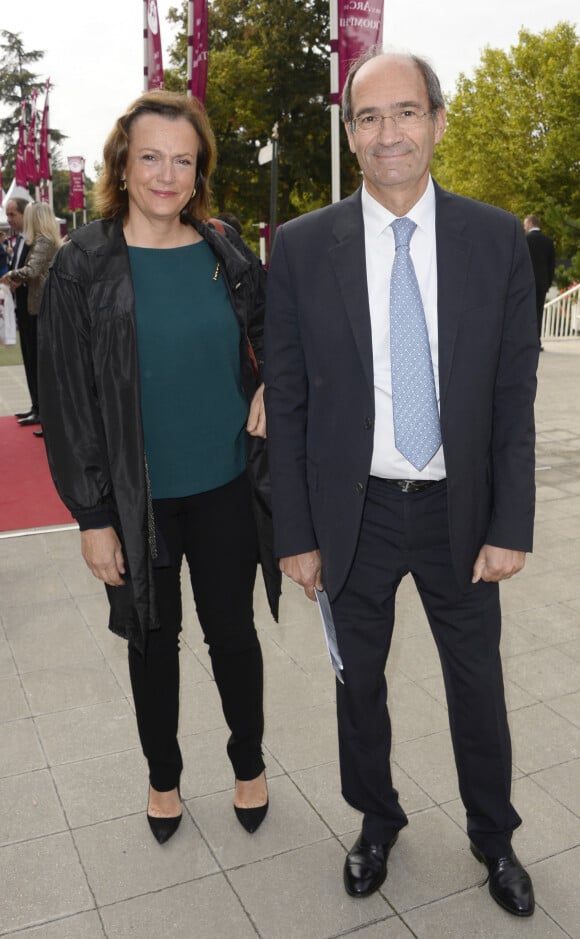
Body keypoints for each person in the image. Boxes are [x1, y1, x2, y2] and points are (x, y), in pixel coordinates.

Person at [265, 49, 538, 917]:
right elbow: (293, 402)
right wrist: (296, 534)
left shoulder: (497, 239)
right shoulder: (304, 248)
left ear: (438, 121)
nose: (390, 133)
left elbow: (510, 398)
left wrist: (511, 522)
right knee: (360, 685)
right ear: (351, 134)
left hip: (461, 513)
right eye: (369, 117)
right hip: (357, 515)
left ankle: (493, 835)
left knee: (478, 687)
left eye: (407, 112)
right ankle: (376, 820)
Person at [38, 90, 280, 844]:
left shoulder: (225, 249)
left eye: (183, 159)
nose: (167, 174)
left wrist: (272, 378)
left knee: (232, 632)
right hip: (137, 497)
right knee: (153, 637)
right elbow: (68, 400)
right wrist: (93, 517)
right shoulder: (84, 264)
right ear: (123, 164)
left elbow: (275, 331)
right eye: (151, 157)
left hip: (225, 485)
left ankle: (249, 761)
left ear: (198, 168)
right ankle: (163, 776)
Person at [2, 202, 61, 437]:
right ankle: (39, 410)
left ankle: (47, 415)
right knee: (35, 362)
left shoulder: (44, 241)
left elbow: (33, 270)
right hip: (34, 308)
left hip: (41, 309)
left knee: (42, 365)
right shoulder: (39, 241)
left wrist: (9, 275)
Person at [4, 198, 38, 425]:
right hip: (22, 310)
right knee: (28, 358)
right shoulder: (18, 240)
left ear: (25, 214)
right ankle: (35, 406)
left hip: (36, 310)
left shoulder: (35, 240)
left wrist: (15, 279)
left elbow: (33, 271)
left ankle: (42, 410)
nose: (9, 220)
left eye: (12, 215)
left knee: (37, 360)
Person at [524, 214, 556, 350]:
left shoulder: (525, 240)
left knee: (525, 312)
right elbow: (551, 265)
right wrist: (548, 283)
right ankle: (537, 341)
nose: (524, 227)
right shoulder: (548, 241)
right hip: (542, 283)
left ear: (530, 224)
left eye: (525, 224)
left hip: (526, 283)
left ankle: (527, 342)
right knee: (538, 312)